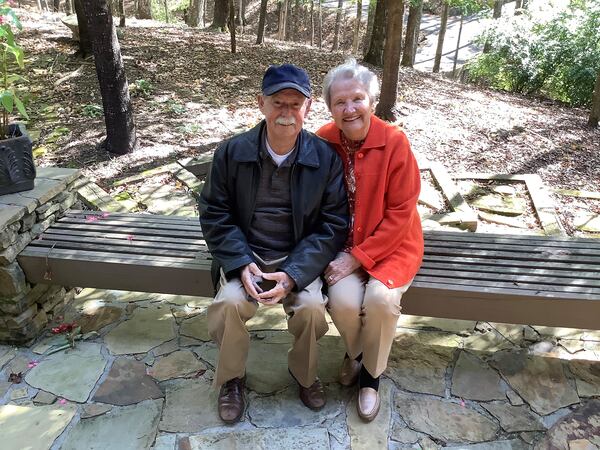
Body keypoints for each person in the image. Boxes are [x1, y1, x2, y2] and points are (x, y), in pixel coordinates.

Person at [199, 63, 349, 424]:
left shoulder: (324, 158)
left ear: (308, 108)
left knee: (312, 309)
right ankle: (232, 378)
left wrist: (294, 274)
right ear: (261, 104)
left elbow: (333, 224)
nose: (286, 113)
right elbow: (214, 212)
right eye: (277, 103)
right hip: (247, 255)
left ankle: (304, 374)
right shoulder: (232, 153)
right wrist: (238, 261)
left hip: (297, 258)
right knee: (229, 304)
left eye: (294, 104)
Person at [316, 59, 424, 422]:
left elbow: (402, 213)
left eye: (357, 99)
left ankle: (370, 378)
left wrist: (358, 257)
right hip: (342, 246)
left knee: (379, 301)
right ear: (330, 108)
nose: (349, 110)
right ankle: (359, 353)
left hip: (391, 245)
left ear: (372, 102)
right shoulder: (322, 140)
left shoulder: (395, 143)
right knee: (343, 302)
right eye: (339, 103)